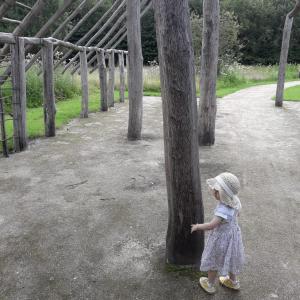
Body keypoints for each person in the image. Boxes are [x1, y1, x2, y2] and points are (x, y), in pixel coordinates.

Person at [191, 172, 245, 294]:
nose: (212, 191)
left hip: (221, 239)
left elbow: (211, 226)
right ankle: (233, 282)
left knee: (213, 261)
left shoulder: (222, 210)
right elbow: (238, 213)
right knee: (232, 258)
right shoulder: (235, 200)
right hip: (234, 237)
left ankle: (209, 284)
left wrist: (198, 226)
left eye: (215, 190)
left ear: (220, 193)